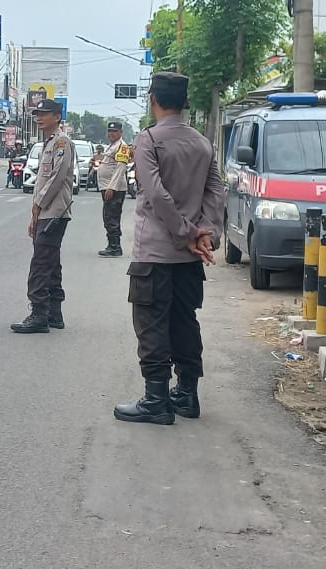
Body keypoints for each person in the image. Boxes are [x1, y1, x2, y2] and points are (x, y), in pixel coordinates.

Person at [113, 72, 226, 425]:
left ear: (152, 100)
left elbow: (156, 194)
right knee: (184, 321)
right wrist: (206, 234)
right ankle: (187, 394)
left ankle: (156, 400)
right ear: (186, 102)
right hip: (189, 257)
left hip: (156, 253)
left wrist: (185, 232)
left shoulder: (148, 140)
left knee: (151, 323)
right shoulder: (202, 142)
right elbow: (216, 191)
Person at [10, 99, 75, 334]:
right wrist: (35, 213)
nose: (39, 117)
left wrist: (38, 205)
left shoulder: (61, 143)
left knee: (40, 262)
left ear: (57, 116)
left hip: (54, 211)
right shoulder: (48, 143)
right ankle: (54, 313)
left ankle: (38, 313)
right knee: (51, 261)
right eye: (37, 113)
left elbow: (57, 178)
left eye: (44, 113)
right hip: (48, 211)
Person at [95, 121, 132, 258]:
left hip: (114, 188)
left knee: (112, 217)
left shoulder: (122, 147)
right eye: (110, 131)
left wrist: (112, 187)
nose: (111, 134)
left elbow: (120, 168)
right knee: (108, 216)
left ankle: (115, 247)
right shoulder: (112, 146)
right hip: (107, 186)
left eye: (115, 131)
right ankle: (112, 245)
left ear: (121, 133)